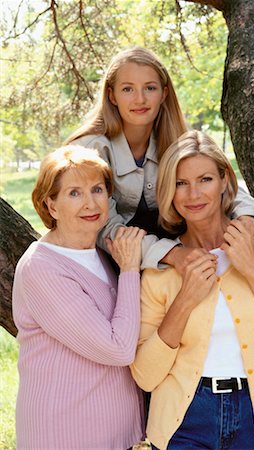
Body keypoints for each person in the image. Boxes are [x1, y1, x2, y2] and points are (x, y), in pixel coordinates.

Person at [130, 130, 254, 450]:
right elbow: (145, 375)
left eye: (204, 179)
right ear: (169, 191)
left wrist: (252, 268)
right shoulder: (160, 267)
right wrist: (185, 299)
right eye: (180, 183)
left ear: (224, 181)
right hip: (184, 421)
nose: (193, 194)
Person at [65, 46, 254, 270]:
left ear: (163, 93)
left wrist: (247, 217)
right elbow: (103, 227)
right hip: (116, 260)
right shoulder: (88, 151)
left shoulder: (177, 140)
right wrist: (172, 254)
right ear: (112, 95)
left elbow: (221, 181)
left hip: (179, 252)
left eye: (150, 88)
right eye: (127, 89)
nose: (140, 99)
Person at [12, 145, 146, 450]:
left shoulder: (97, 253)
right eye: (74, 193)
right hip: (66, 434)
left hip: (113, 436)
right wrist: (129, 270)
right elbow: (118, 350)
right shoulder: (42, 269)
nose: (90, 203)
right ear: (51, 205)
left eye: (97, 189)